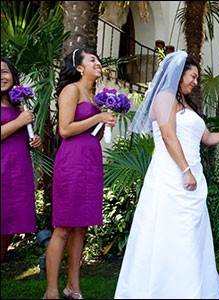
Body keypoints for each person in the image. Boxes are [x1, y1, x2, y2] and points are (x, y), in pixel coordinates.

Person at [114, 51, 219, 299]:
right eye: (192, 76)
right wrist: (185, 170)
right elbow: (169, 135)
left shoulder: (186, 104)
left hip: (191, 174)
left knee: (190, 234)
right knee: (170, 232)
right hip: (171, 175)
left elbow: (205, 138)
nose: (195, 82)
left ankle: (191, 288)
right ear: (179, 73)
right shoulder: (163, 97)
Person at [43, 48, 116, 299]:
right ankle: (51, 289)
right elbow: (64, 129)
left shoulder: (94, 97)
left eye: (97, 59)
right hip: (72, 162)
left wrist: (103, 123)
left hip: (90, 162)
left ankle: (73, 286)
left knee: (81, 227)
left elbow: (90, 133)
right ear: (79, 67)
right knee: (63, 227)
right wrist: (98, 118)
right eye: (92, 60)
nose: (98, 62)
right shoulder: (71, 90)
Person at [1, 57, 42, 262]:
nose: (1, 76)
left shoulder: (19, 106)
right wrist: (19, 122)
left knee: (11, 224)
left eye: (4, 71)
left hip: (18, 172)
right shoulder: (19, 116)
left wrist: (35, 140)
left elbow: (21, 138)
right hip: (1, 170)